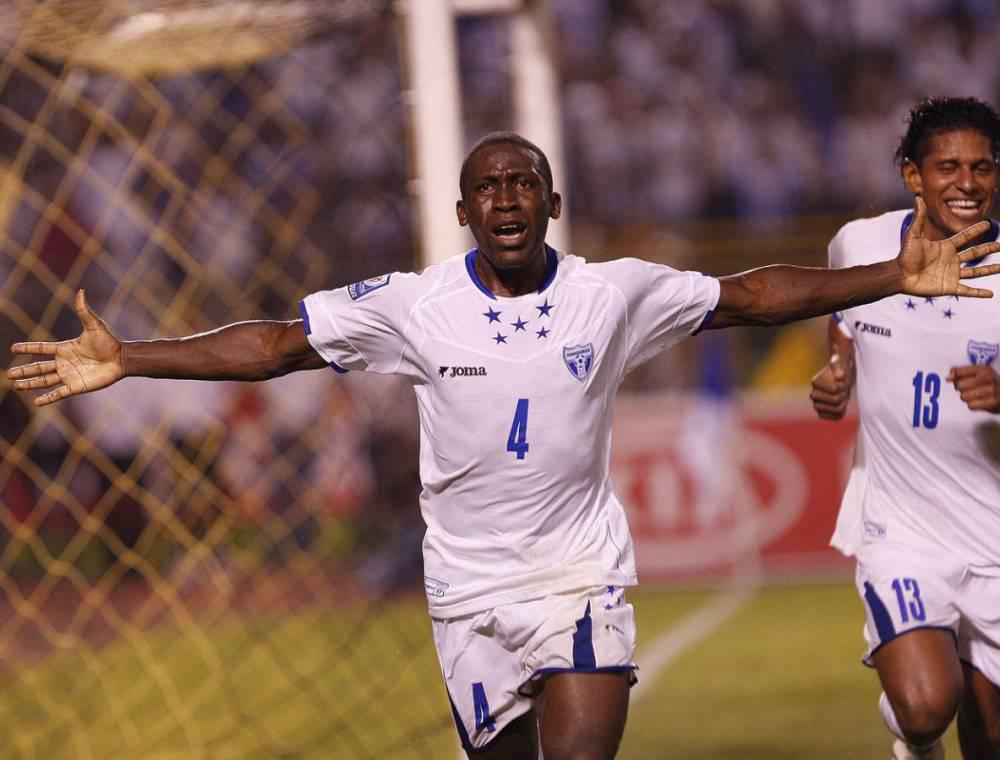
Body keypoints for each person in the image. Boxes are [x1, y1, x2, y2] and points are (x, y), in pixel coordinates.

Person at [9, 131, 1000, 760]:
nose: (509, 197)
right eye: (489, 185)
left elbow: (751, 295)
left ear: (552, 204)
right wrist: (131, 357)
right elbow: (274, 346)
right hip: (469, 593)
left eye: (526, 182)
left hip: (579, 577)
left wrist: (889, 276)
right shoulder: (415, 304)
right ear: (463, 212)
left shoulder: (611, 292)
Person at [809, 97, 1000, 760]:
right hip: (903, 533)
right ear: (912, 175)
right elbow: (842, 314)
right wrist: (839, 368)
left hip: (993, 537)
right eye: (948, 167)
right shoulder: (860, 244)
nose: (967, 183)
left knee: (989, 735)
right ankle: (912, 733)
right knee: (924, 708)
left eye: (982, 168)